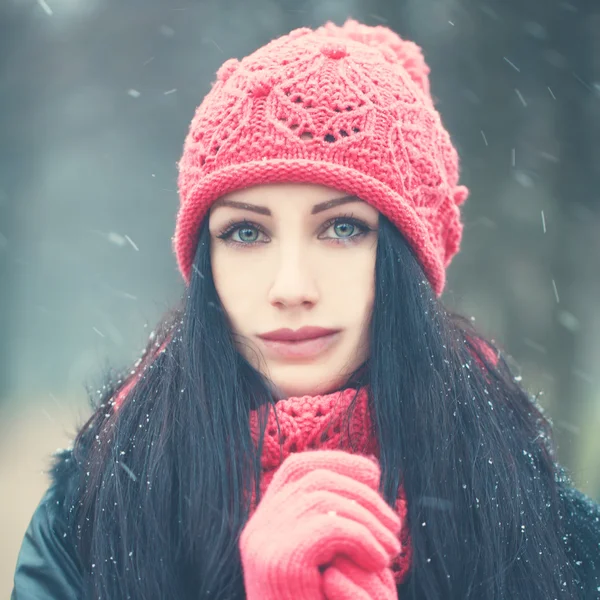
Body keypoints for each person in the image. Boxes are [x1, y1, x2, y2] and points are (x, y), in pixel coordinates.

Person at [11, 19, 600, 600]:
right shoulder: (101, 497)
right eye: (245, 233)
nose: (291, 287)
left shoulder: (526, 504)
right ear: (204, 262)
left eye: (343, 227)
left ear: (409, 258)